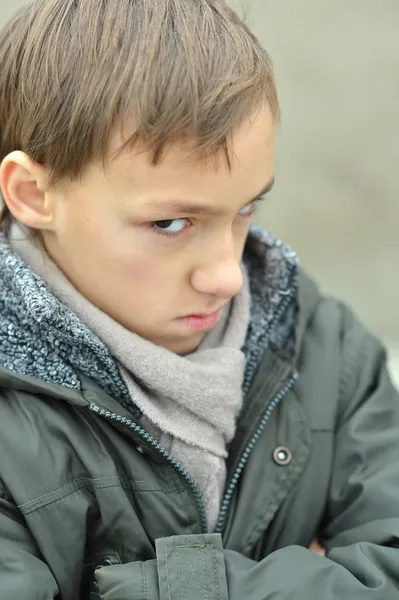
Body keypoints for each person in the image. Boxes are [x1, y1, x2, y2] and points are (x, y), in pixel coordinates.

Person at [0, 0, 398, 598]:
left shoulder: (329, 353)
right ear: (32, 194)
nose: (227, 275)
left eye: (245, 210)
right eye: (170, 223)